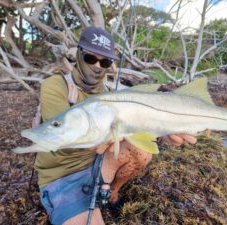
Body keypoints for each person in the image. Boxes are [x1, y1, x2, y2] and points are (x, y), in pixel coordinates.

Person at [35, 26, 197, 225]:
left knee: (141, 151)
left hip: (96, 163)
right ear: (78, 54)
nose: (97, 66)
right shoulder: (55, 86)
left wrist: (163, 131)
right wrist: (108, 135)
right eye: (90, 58)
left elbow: (138, 123)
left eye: (105, 61)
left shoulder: (111, 94)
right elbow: (59, 138)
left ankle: (112, 191)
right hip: (63, 177)